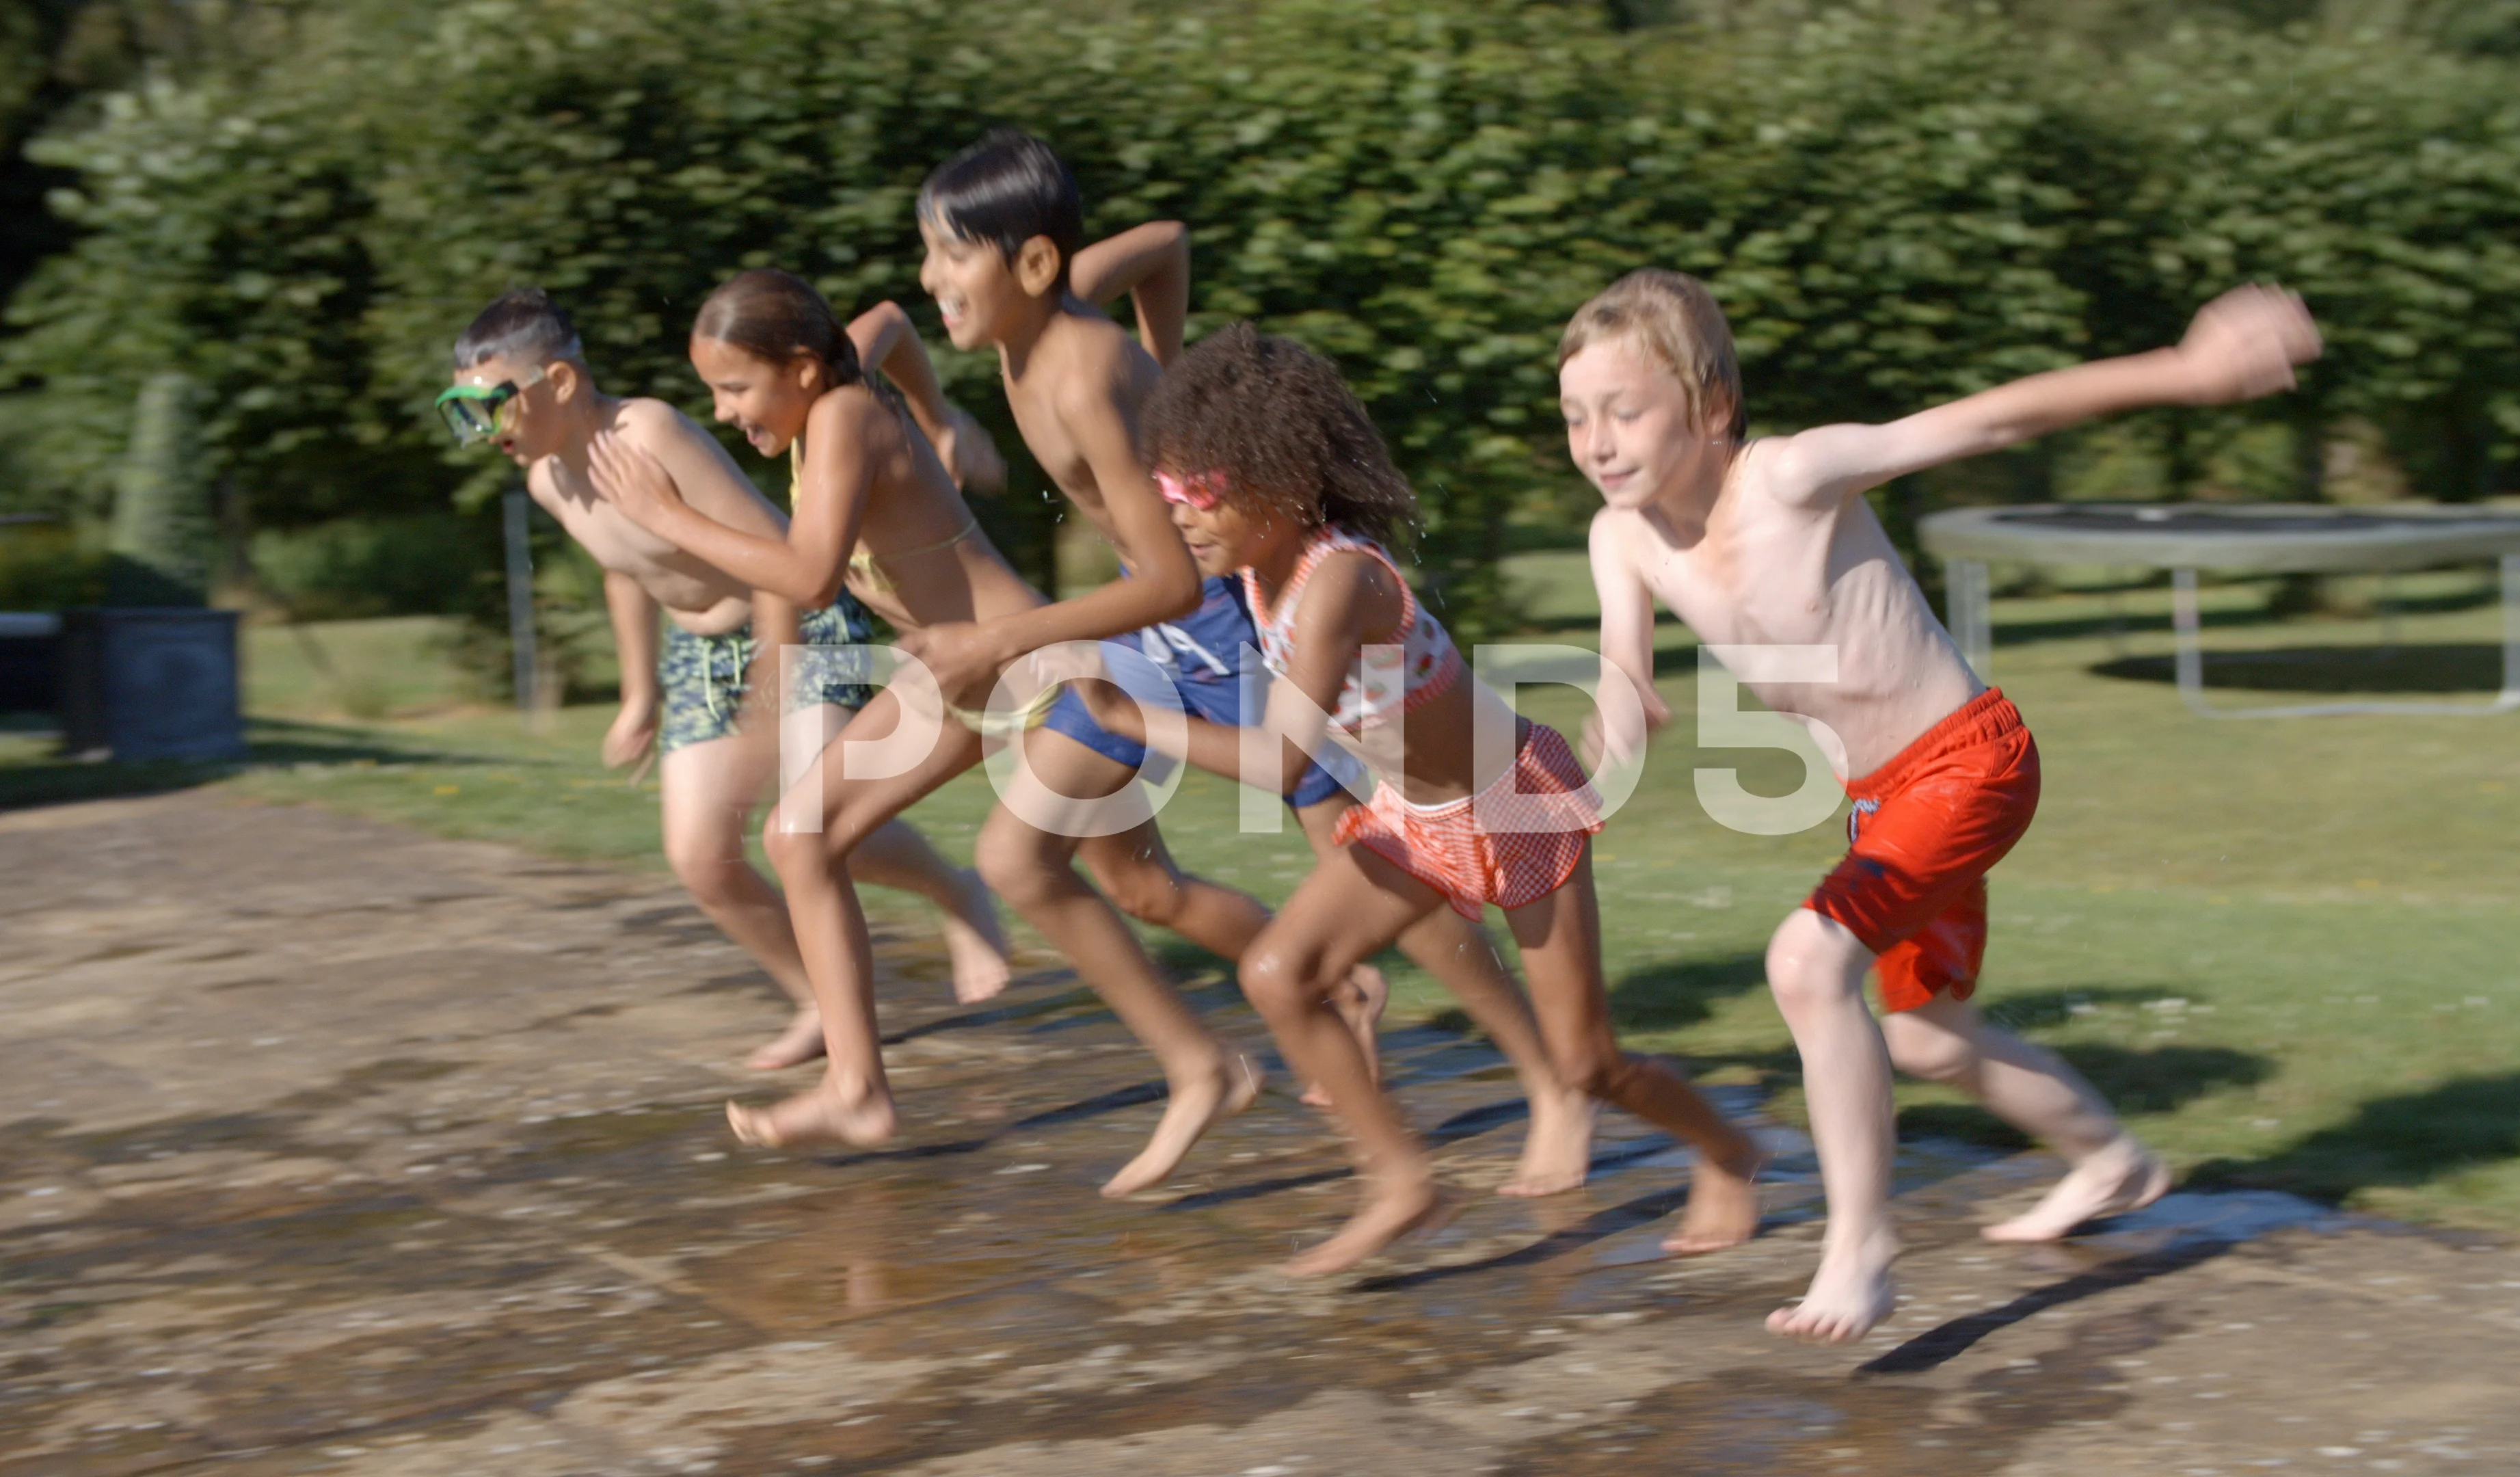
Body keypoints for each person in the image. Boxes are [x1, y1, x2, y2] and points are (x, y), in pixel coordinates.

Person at [1557, 270, 2321, 1343]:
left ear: (1712, 406)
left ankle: (1862, 1247)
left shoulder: (1790, 476)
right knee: (1925, 1040)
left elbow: (1993, 419)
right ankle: (2114, 1161)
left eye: (1623, 409)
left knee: (1807, 962)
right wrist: (1608, 735)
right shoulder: (1622, 537)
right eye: (1576, 416)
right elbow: (1623, 676)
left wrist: (2187, 372)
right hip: (1884, 800)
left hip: (1972, 763)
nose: (1596, 439)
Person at [864, 131, 1594, 1190]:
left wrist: (1002, 637)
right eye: (926, 252)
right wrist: (1176, 387)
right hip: (1145, 631)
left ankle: (1550, 1080)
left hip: (1220, 619)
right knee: (1021, 858)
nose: (930, 279)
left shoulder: (1076, 374)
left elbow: (1169, 579)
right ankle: (1203, 1063)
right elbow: (1166, 242)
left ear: (1026, 266)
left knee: (1386, 863)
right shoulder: (1056, 305)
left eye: (948, 255)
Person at [1078, 322, 1761, 1274]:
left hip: (1514, 808)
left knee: (1588, 1066)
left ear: (1279, 481)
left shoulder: (1338, 583)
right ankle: (1403, 1181)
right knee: (1279, 974)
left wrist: (1129, 718)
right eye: (1168, 491)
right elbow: (1152, 587)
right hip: (1414, 820)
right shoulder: (1250, 570)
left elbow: (1284, 761)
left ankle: (1731, 1151)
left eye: (1202, 494)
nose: (1181, 515)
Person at [589, 267, 1255, 1188]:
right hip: (946, 678)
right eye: (712, 390)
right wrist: (943, 418)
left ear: (799, 369)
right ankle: (860, 1089)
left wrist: (664, 515)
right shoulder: (833, 372)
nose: (725, 411)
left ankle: (1287, 999)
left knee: (1140, 891)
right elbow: (896, 322)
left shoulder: (844, 418)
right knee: (800, 834)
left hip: (1022, 673)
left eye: (735, 388)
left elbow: (810, 575)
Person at [435, 288, 1009, 1072]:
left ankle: (957, 892)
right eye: (463, 410)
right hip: (698, 650)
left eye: (491, 405)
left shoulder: (649, 433)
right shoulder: (549, 480)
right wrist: (640, 694)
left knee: (835, 828)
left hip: (798, 623)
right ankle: (817, 1000)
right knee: (703, 859)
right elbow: (626, 571)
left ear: (560, 384)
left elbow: (781, 565)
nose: (482, 429)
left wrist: (769, 701)